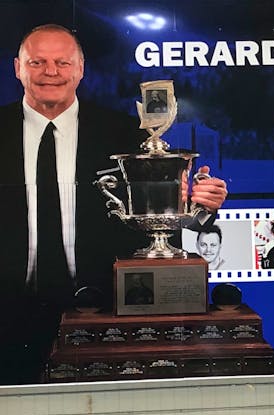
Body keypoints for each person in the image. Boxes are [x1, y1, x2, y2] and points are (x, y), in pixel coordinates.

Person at [0, 24, 228, 385]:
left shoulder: (125, 134)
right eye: (37, 61)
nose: (50, 72)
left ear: (80, 69)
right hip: (7, 310)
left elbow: (164, 213)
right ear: (17, 67)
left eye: (62, 62)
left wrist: (200, 202)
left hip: (104, 309)